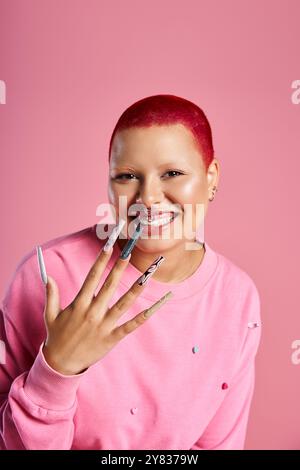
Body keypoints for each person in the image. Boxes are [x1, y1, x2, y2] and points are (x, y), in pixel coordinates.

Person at [0, 94, 261, 450]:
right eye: (127, 176)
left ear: (211, 176)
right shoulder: (47, 277)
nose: (149, 197)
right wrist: (57, 369)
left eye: (172, 173)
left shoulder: (237, 298)